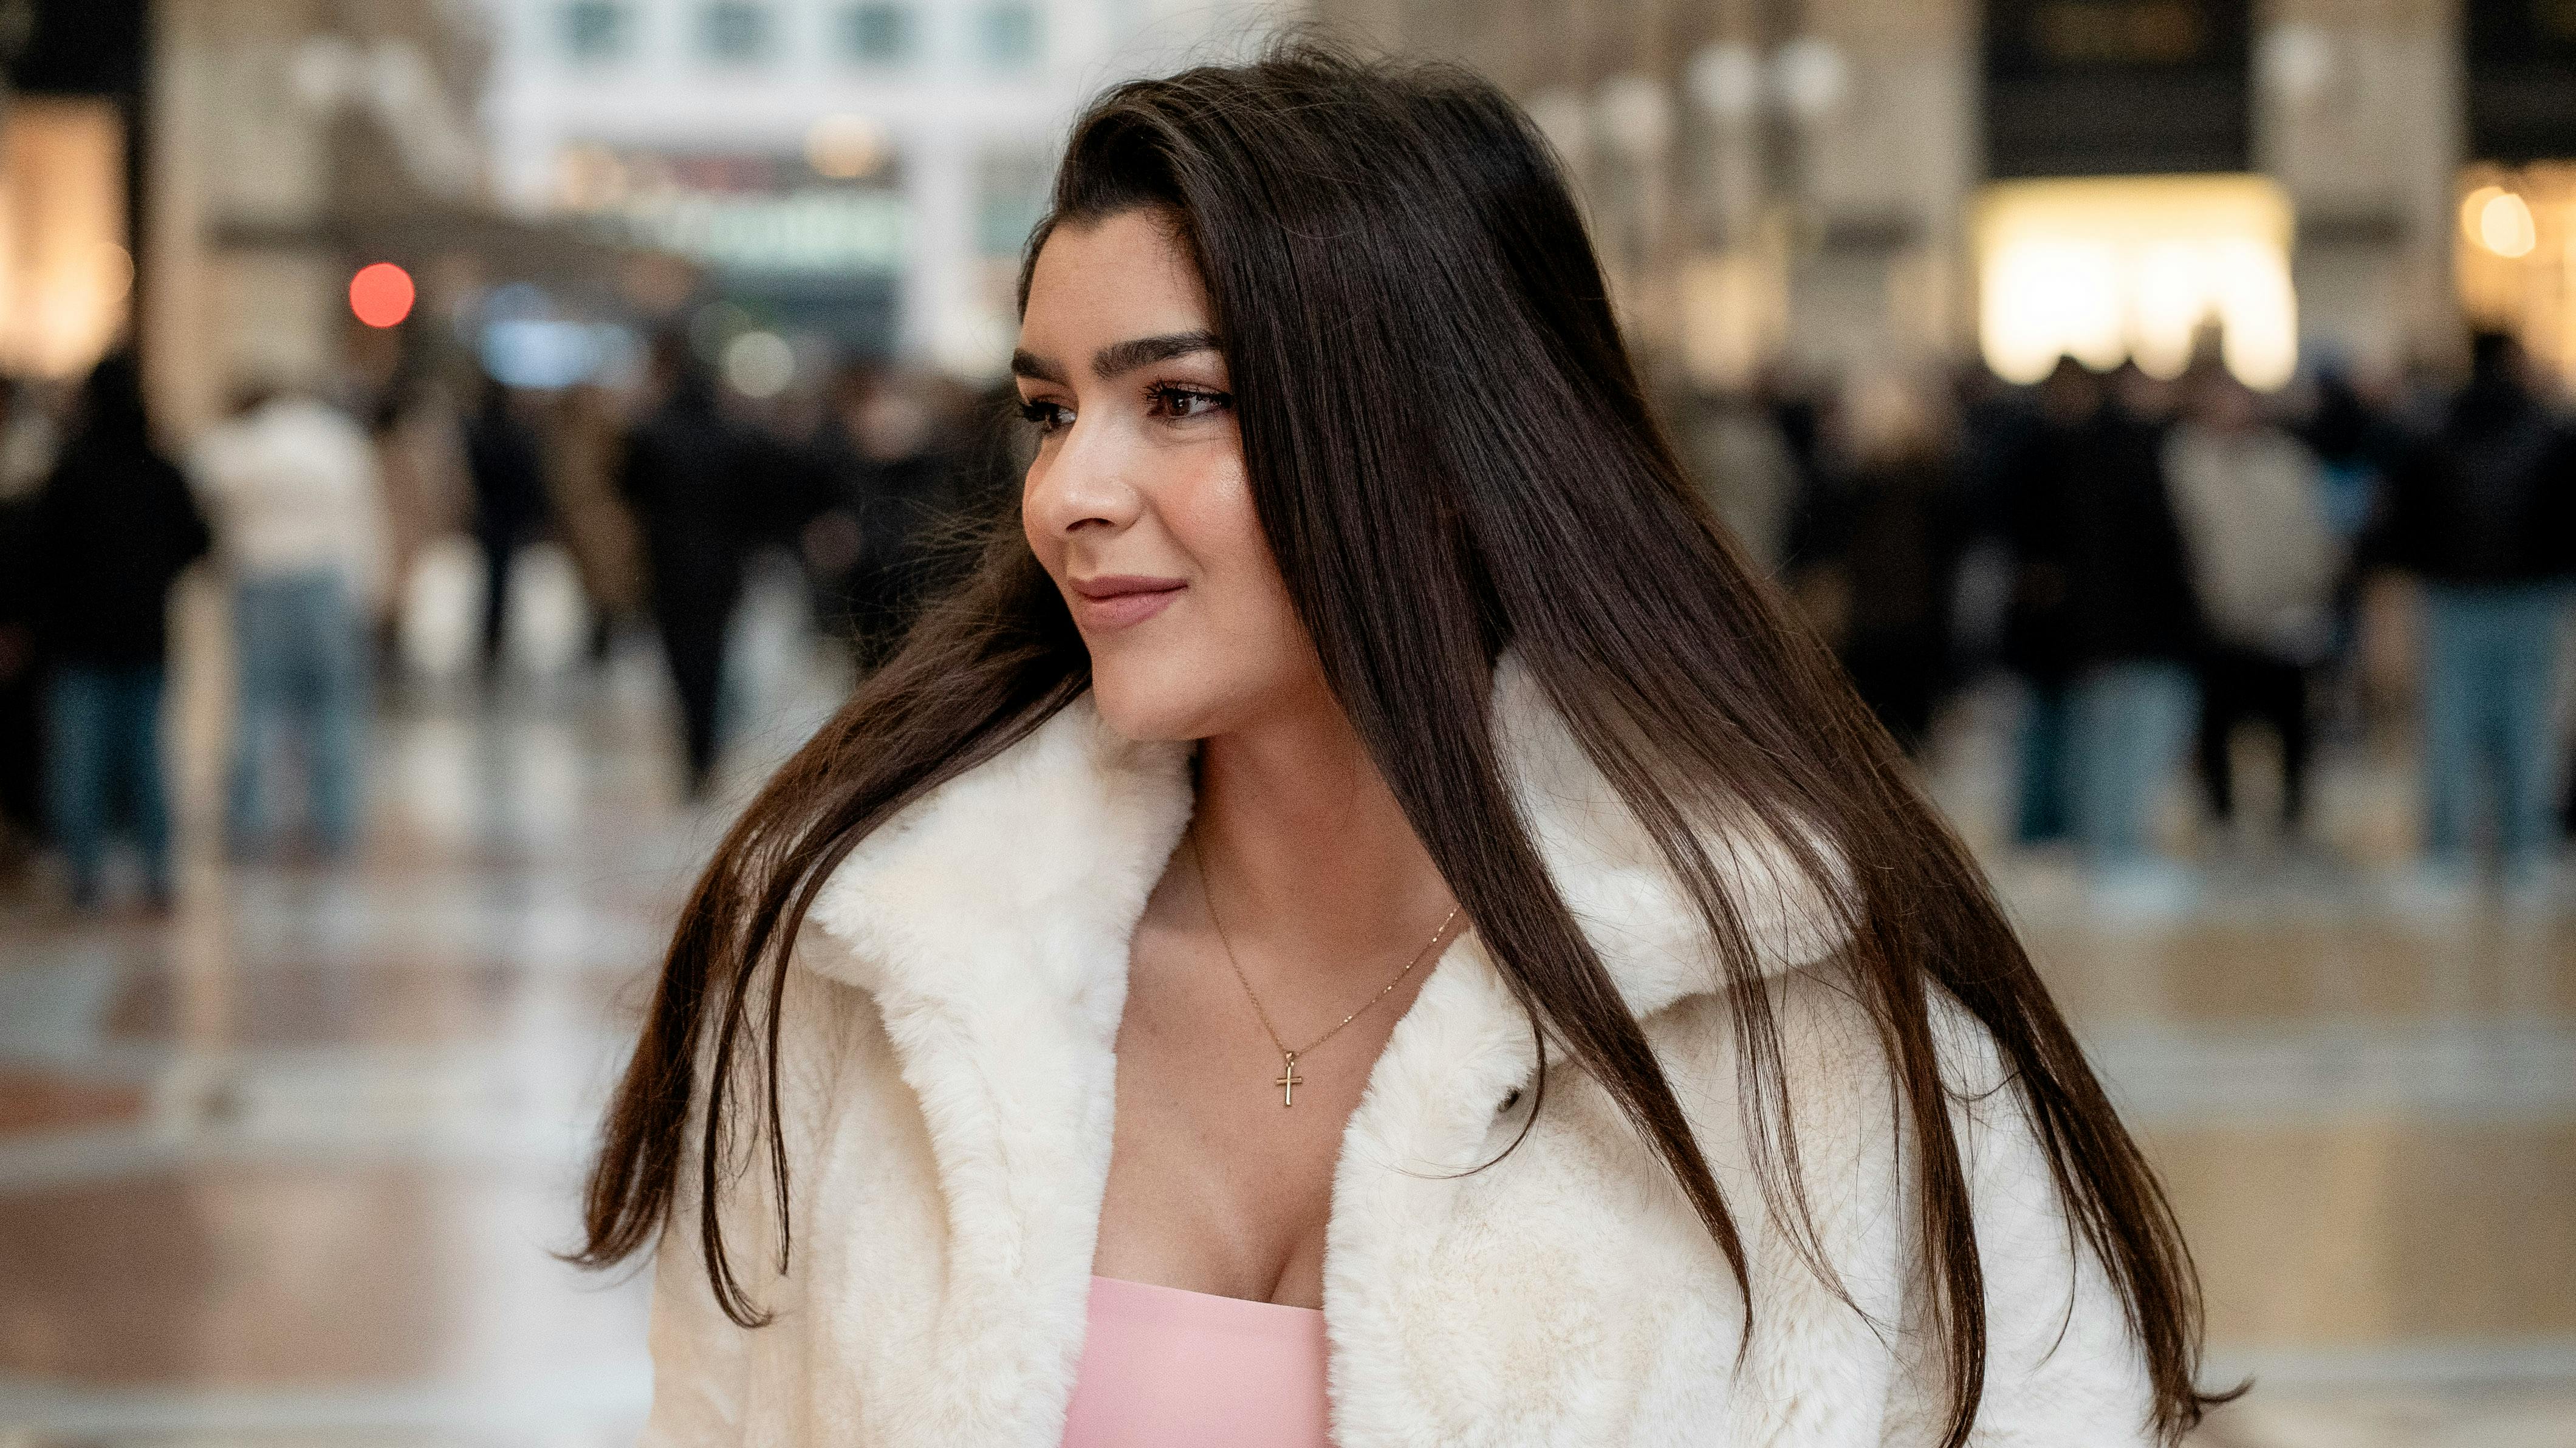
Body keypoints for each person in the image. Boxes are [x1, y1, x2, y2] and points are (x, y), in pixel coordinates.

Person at [577, 48, 2224, 1447]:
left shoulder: (1808, 1034)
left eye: (1184, 401)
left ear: (1444, 452)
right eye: (1052, 408)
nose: (1071, 491)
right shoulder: (866, 977)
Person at [2369, 331, 2576, 883]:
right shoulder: (2549, 431)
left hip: (2452, 596)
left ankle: (2445, 855)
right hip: (2533, 596)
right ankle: (2526, 853)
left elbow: (2400, 520)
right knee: (2528, 729)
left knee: (2449, 728)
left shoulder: (2437, 428)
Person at [29, 352, 210, 910]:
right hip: (142, 635)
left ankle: (84, 873)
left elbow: (38, 554)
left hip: (78, 640)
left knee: (80, 762)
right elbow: (198, 540)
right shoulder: (160, 469)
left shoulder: (70, 470)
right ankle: (157, 871)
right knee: (145, 757)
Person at [190, 384, 388, 859]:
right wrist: (373, 592)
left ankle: (250, 823)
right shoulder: (339, 443)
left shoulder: (247, 444)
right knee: (334, 709)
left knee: (258, 706)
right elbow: (364, 521)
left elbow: (204, 473)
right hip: (325, 583)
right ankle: (334, 822)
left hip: (261, 580)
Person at [2163, 363, 2339, 840]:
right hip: (2215, 621)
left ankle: (2292, 817)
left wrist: (2306, 590)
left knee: (2292, 722)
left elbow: (2312, 535)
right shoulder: (2183, 461)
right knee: (2216, 723)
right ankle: (2220, 817)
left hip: (2285, 618)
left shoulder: (2287, 462)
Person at [619, 336, 753, 798]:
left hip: (669, 565)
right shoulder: (733, 437)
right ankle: (706, 745)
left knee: (681, 662)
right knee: (715, 658)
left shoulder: (653, 433)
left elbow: (628, 489)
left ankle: (694, 749)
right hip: (721, 567)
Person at [462, 374, 551, 682]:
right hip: (508, 519)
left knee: (493, 580)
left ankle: (492, 637)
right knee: (502, 580)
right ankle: (495, 637)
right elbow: (530, 479)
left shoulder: (477, 434)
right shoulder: (518, 435)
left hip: (489, 518)